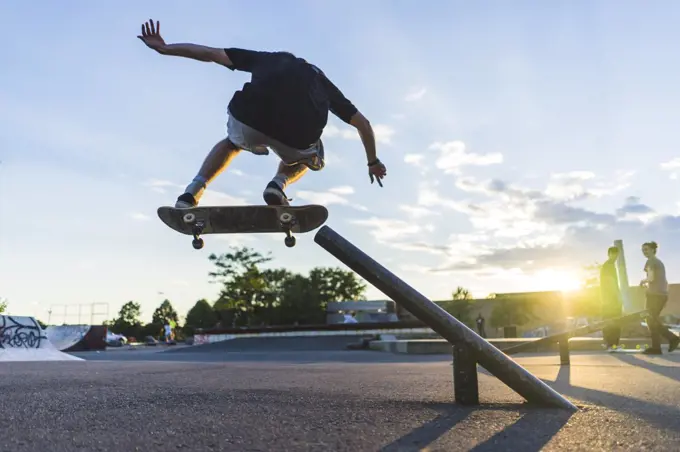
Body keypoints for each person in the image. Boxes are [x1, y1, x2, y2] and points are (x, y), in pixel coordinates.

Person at [136, 20, 387, 208]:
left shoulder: (264, 59)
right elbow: (363, 124)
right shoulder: (321, 81)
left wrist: (165, 48)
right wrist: (373, 162)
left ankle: (191, 192)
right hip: (297, 138)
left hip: (248, 120)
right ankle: (278, 185)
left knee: (232, 143)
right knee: (313, 153)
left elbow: (210, 54)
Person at [639, 241, 679, 354]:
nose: (644, 252)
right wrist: (665, 295)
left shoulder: (651, 261)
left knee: (650, 320)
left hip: (654, 295)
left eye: (646, 249)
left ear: (652, 250)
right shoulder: (659, 262)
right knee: (653, 320)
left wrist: (643, 281)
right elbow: (663, 281)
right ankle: (657, 347)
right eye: (643, 250)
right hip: (661, 295)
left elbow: (651, 278)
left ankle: (671, 339)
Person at [600, 246, 622, 351]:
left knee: (609, 321)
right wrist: (618, 297)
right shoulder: (608, 266)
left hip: (606, 299)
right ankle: (612, 344)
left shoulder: (608, 265)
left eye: (616, 254)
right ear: (609, 254)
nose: (615, 256)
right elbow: (611, 282)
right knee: (615, 321)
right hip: (611, 299)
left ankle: (609, 344)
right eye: (613, 254)